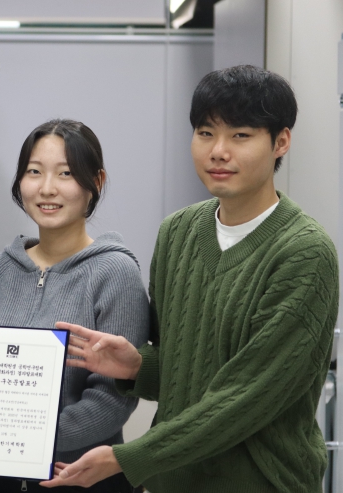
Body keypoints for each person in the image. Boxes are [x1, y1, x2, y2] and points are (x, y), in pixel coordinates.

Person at [40, 65, 339, 492]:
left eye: (240, 135)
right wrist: (139, 366)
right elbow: (188, 371)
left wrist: (128, 457)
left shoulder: (304, 252)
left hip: (262, 482)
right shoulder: (177, 232)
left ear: (281, 142)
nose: (218, 151)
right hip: (173, 483)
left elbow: (247, 397)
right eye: (205, 133)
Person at [0, 119, 149, 493]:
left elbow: (113, 398)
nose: (47, 188)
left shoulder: (116, 272)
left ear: (96, 182)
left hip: (80, 481)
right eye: (34, 172)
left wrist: (18, 445)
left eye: (65, 173)